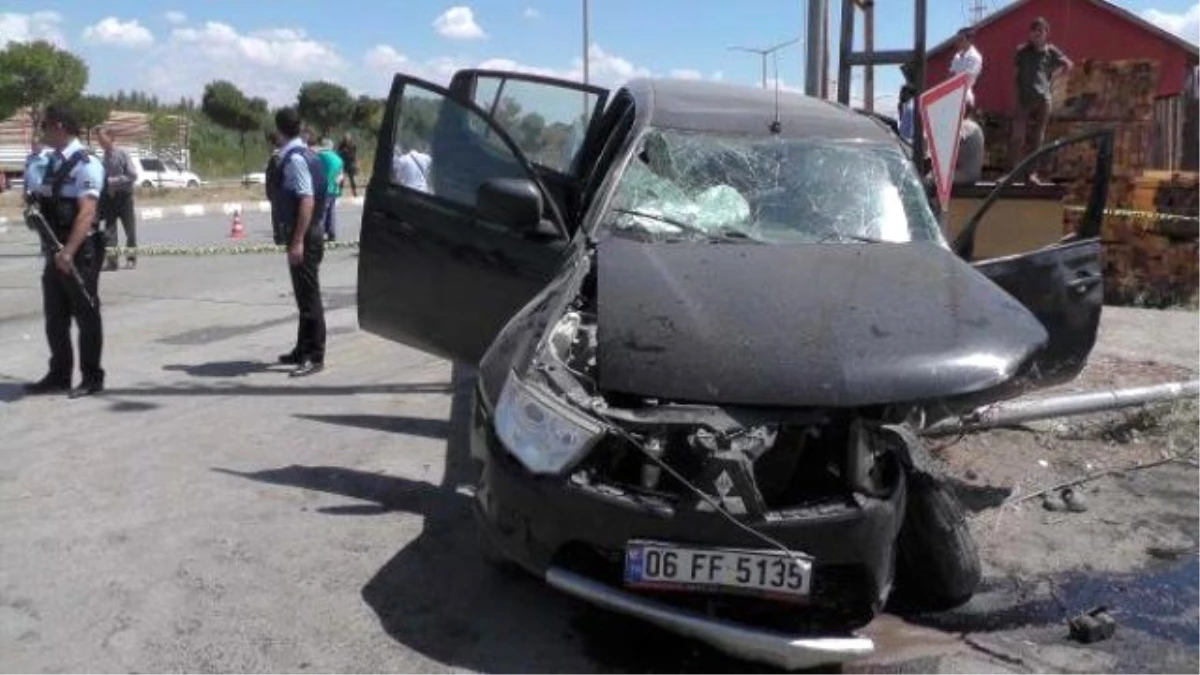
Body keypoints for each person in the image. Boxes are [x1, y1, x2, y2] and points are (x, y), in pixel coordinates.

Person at [24, 102, 108, 398]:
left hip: (79, 251)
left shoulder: (86, 163)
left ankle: (91, 377)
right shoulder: (52, 163)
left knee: (86, 313)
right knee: (55, 316)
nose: (42, 130)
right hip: (54, 248)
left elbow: (86, 212)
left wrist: (69, 251)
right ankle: (59, 375)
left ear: (59, 126)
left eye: (45, 125)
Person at [271, 107, 327, 377]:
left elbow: (307, 199)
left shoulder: (295, 159)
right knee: (304, 296)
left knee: (309, 297)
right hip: (311, 231)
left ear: (279, 130)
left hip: (304, 234)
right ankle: (302, 348)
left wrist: (297, 242)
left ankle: (314, 355)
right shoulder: (308, 154)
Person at [1010, 16, 1073, 185]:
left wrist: (1053, 80)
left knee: (1037, 138)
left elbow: (1068, 64)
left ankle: (1031, 174)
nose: (1037, 34)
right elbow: (1016, 74)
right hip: (1024, 99)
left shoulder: (1050, 51)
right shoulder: (1022, 51)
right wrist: (1016, 94)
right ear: (1030, 33)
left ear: (1046, 33)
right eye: (1034, 31)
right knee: (1018, 137)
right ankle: (1012, 174)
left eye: (1041, 31)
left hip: (1043, 100)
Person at [96, 126, 140, 270]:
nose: (100, 142)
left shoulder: (122, 154)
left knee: (130, 231)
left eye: (103, 139)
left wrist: (112, 181)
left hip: (124, 198)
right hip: (110, 199)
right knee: (110, 232)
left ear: (112, 138)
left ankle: (131, 259)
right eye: (99, 140)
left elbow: (133, 175)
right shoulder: (103, 158)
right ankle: (112, 261)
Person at [315, 137, 344, 241]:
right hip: (334, 189)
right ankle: (332, 234)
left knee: (321, 212)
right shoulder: (338, 158)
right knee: (331, 212)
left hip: (323, 188)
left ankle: (320, 234)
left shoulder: (320, 156)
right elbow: (341, 175)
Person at [950, 28, 984, 109]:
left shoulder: (975, 57)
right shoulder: (957, 56)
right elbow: (951, 75)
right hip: (952, 96)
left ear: (970, 40)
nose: (958, 42)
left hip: (965, 99)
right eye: (957, 39)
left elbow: (967, 80)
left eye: (961, 39)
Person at [263, 130, 286, 245]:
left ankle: (281, 239)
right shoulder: (284, 155)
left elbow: (275, 177)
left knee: (278, 216)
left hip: (278, 193)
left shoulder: (276, 157)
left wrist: (270, 192)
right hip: (281, 192)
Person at [955, 103, 986, 185]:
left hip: (965, 175)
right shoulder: (972, 126)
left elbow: (953, 156)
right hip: (968, 175)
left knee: (929, 180)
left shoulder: (967, 127)